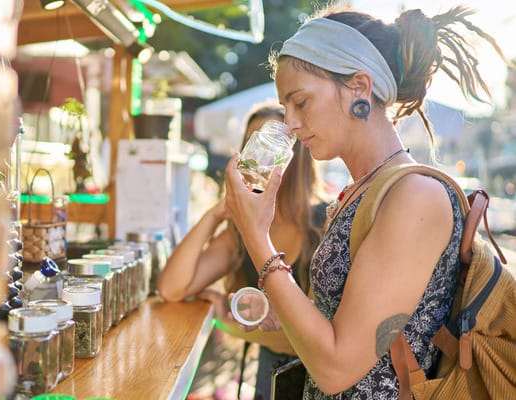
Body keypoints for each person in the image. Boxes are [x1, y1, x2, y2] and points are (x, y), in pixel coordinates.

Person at [222, 4, 511, 399]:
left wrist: (257, 238)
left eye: (300, 102)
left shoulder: (415, 198)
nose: (289, 121)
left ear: (359, 88)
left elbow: (337, 368)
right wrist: (289, 313)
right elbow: (341, 324)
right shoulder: (363, 191)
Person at [158, 102, 328, 399]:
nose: (260, 159)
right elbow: (171, 288)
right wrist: (217, 212)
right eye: (255, 144)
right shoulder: (240, 231)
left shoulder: (323, 222)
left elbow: (314, 334)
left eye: (273, 145)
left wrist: (232, 320)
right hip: (269, 374)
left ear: (295, 156)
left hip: (318, 381)